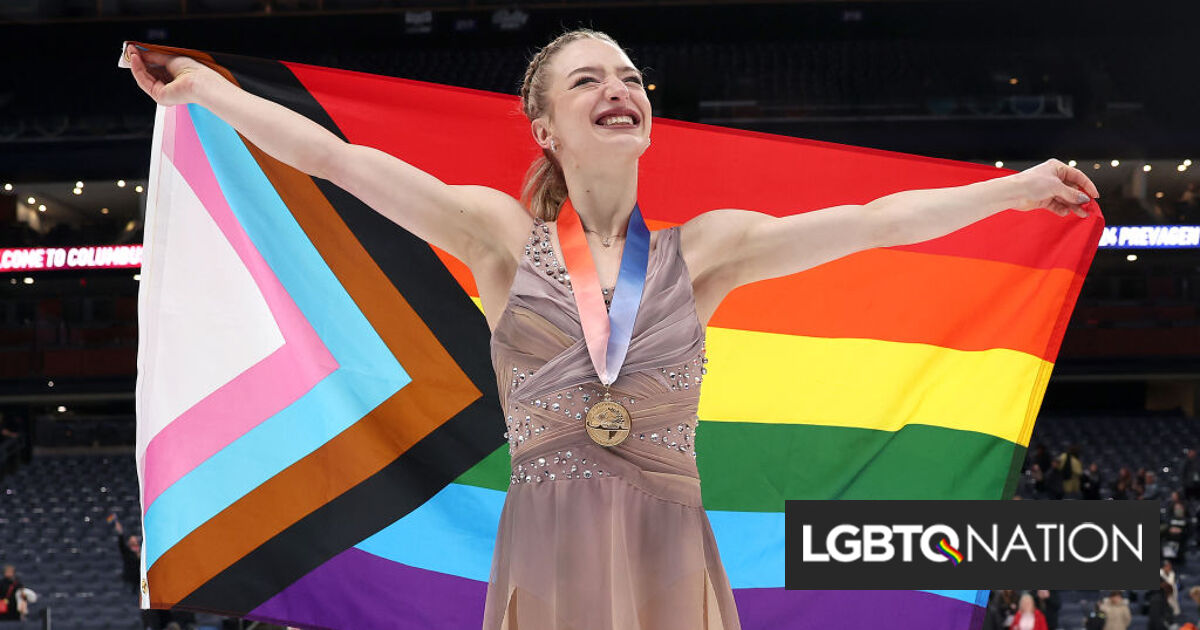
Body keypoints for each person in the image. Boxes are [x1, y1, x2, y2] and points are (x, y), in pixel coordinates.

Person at [124, 28, 1101, 630]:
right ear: (546, 126)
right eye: (588, 79)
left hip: (671, 546)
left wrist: (1012, 190)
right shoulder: (498, 236)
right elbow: (339, 164)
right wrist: (205, 90)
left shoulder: (708, 251)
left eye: (628, 76)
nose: (617, 88)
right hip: (547, 542)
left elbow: (871, 226)